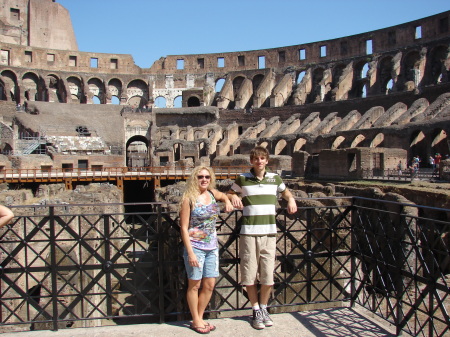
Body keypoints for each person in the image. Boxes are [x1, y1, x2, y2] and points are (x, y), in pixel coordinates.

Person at [227, 146, 297, 330]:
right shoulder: (243, 178)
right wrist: (231, 198)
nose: (259, 161)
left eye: (262, 158)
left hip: (269, 233)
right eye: (256, 158)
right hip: (249, 232)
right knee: (249, 274)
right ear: (252, 161)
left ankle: (264, 307)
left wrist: (291, 200)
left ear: (267, 161)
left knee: (267, 275)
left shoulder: (275, 178)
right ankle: (256, 309)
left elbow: (286, 192)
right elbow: (230, 192)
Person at [179, 166, 233, 334]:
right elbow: (183, 227)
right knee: (194, 285)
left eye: (207, 177)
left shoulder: (211, 193)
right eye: (200, 176)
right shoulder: (189, 198)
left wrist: (229, 200)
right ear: (195, 178)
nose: (204, 179)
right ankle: (196, 320)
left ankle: (200, 317)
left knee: (209, 285)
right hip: (195, 247)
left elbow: (224, 195)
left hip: (212, 248)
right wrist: (190, 252)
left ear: (211, 179)